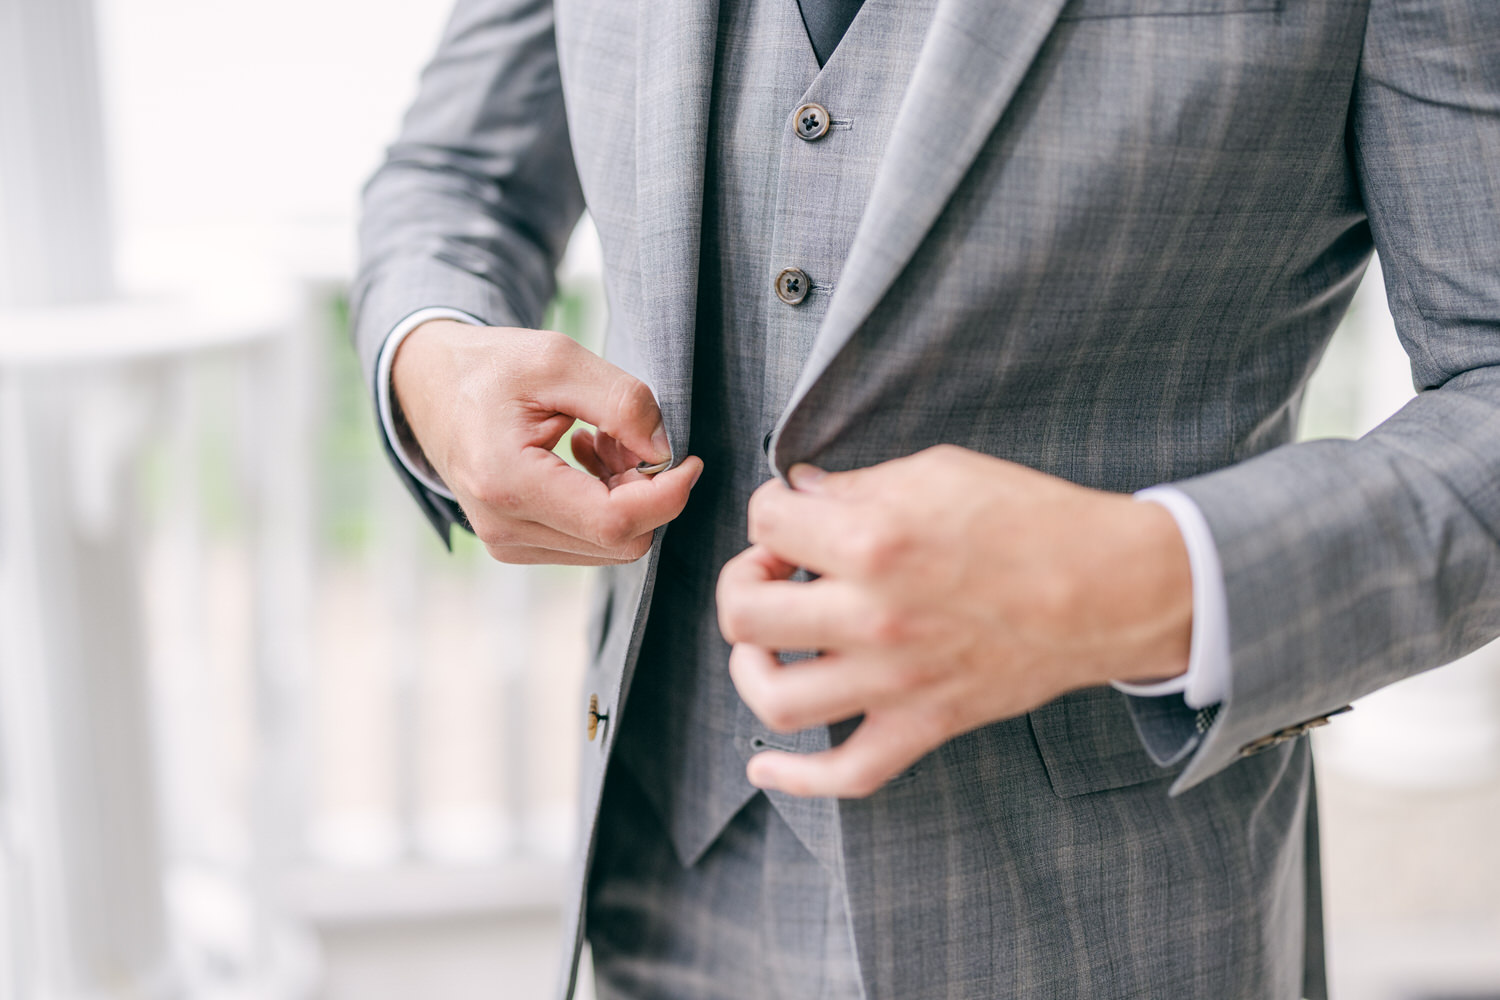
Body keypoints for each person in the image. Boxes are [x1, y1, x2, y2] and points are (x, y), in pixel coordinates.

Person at [350, 0, 1500, 996]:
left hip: (1116, 928)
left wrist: (1139, 583)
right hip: (664, 882)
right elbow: (459, 173)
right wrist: (433, 362)